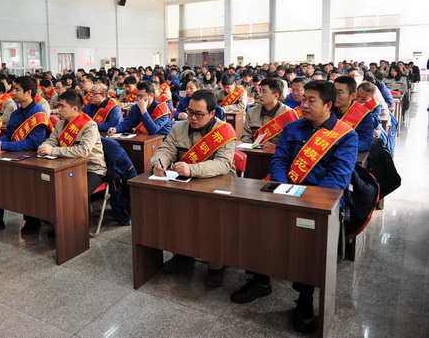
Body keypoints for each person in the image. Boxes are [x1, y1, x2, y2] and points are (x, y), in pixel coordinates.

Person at [230, 80, 358, 334]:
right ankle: (260, 279)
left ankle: (304, 298)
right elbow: (279, 160)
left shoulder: (346, 135)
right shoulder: (292, 128)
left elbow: (337, 179)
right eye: (303, 99)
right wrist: (284, 187)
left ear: (328, 105)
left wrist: (302, 197)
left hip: (319, 200)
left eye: (311, 100)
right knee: (255, 222)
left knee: (309, 242)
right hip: (285, 190)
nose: (304, 104)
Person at [151, 90, 236, 287]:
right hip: (185, 183)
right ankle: (182, 254)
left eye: (199, 114)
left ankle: (216, 265)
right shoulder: (179, 127)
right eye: (190, 112)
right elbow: (166, 150)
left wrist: (192, 169)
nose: (193, 118)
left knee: (213, 224)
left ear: (212, 113)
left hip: (217, 184)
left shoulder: (225, 131)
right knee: (173, 216)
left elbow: (223, 164)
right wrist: (158, 163)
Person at [0, 76, 54, 234]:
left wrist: (4, 145)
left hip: (33, 159)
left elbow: (34, 144)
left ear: (29, 92)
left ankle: (32, 220)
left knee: (26, 184)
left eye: (17, 90)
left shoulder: (38, 113)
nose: (13, 93)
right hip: (14, 154)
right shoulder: (16, 113)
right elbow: (10, 135)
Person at [37, 89, 107, 236]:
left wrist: (53, 151)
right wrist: (44, 147)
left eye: (62, 106)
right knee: (51, 187)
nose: (59, 109)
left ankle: (80, 230)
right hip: (66, 166)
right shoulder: (62, 123)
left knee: (78, 192)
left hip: (91, 169)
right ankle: (61, 224)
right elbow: (52, 140)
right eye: (58, 106)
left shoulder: (89, 125)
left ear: (75, 109)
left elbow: (83, 151)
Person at [241, 78, 297, 145]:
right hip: (254, 150)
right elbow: (246, 138)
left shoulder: (288, 114)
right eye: (260, 91)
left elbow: (293, 142)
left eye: (264, 92)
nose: (259, 95)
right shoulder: (251, 112)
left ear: (276, 95)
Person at [333, 76, 376, 152]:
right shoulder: (326, 109)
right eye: (333, 92)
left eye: (339, 93)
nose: (335, 96)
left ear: (353, 96)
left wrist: (344, 147)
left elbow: (366, 142)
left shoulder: (364, 114)